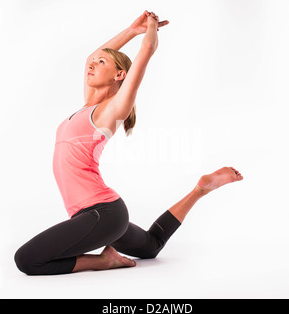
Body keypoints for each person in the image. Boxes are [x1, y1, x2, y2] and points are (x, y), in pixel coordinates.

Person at [14, 10, 244, 275]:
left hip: (101, 214)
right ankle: (199, 190)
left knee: (26, 260)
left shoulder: (111, 111)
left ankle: (104, 261)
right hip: (94, 216)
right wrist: (131, 30)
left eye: (102, 63)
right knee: (150, 246)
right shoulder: (88, 105)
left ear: (120, 75)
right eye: (94, 61)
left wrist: (150, 30)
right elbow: (92, 55)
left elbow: (147, 49)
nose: (92, 64)